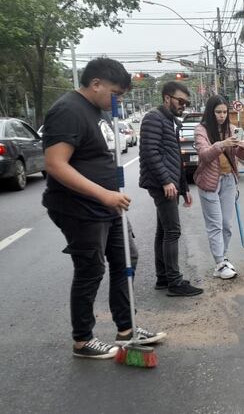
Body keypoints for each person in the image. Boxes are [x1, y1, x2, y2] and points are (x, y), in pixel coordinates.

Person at [43, 57, 165, 359]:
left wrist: (111, 193)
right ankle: (83, 340)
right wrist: (103, 194)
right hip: (80, 207)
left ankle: (126, 328)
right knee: (91, 268)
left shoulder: (96, 111)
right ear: (96, 84)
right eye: (116, 92)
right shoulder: (68, 111)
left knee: (127, 258)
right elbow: (55, 164)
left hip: (107, 205)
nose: (119, 99)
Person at [139, 81, 203, 297]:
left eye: (186, 102)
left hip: (170, 184)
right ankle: (174, 282)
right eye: (180, 101)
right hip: (161, 185)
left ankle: (163, 277)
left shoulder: (168, 120)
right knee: (172, 231)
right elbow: (150, 152)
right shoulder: (153, 118)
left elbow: (174, 157)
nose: (183, 105)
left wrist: (184, 187)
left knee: (163, 231)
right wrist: (167, 181)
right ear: (167, 98)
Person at [193, 95, 244, 280]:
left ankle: (223, 258)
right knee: (215, 225)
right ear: (211, 112)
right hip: (210, 182)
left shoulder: (231, 129)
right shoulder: (201, 130)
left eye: (225, 112)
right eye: (218, 112)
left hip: (229, 180)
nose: (222, 115)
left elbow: (241, 156)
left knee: (227, 224)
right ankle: (219, 262)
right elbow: (204, 154)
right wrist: (222, 144)